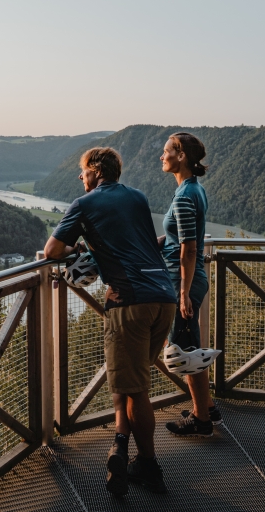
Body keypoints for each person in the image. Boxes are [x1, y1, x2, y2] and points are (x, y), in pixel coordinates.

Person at [44, 147, 176, 497]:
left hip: (129, 302)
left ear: (96, 170)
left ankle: (148, 466)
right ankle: (121, 446)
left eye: (82, 171)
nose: (80, 177)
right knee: (129, 384)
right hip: (164, 297)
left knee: (137, 389)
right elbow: (146, 244)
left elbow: (51, 251)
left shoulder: (84, 203)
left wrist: (77, 252)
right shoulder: (137, 197)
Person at [158, 132, 221, 436]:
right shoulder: (194, 189)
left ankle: (201, 421)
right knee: (188, 344)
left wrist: (182, 293)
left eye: (166, 151)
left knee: (183, 349)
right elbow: (176, 239)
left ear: (181, 156)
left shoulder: (184, 196)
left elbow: (189, 248)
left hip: (183, 280)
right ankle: (207, 408)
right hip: (188, 278)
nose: (162, 156)